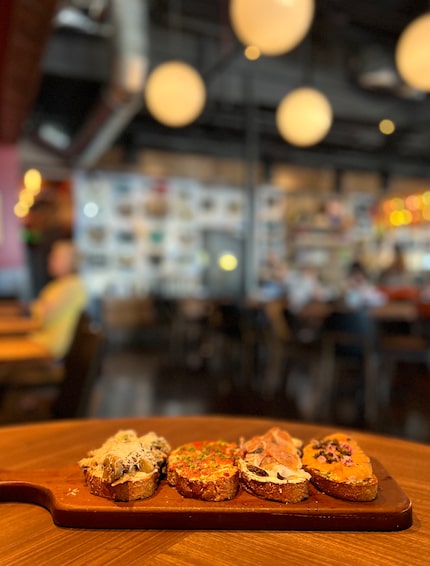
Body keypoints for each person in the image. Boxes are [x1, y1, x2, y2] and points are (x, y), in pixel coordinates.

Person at [28, 239, 88, 359]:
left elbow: (44, 316)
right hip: (45, 339)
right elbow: (38, 312)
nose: (49, 260)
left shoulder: (72, 285)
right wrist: (38, 308)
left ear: (71, 261)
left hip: (55, 346)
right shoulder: (56, 286)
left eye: (56, 257)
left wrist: (38, 307)